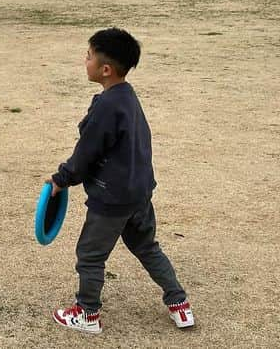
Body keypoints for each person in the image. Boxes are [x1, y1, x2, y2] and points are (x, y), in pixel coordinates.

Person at [48, 28, 193, 335]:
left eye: (88, 56)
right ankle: (179, 303)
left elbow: (87, 152)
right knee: (147, 247)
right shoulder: (127, 97)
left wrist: (61, 179)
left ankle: (87, 313)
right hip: (138, 193)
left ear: (105, 69)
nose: (84, 60)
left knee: (90, 255)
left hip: (112, 199)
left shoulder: (107, 106)